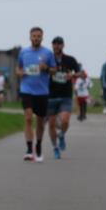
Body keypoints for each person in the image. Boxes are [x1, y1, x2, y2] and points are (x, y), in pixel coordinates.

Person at [15, 27, 56, 162]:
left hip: (42, 91)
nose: (36, 38)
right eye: (34, 36)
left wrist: (46, 68)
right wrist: (20, 73)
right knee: (28, 118)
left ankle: (38, 145)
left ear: (42, 38)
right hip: (26, 89)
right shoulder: (24, 52)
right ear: (30, 37)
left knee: (40, 121)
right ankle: (28, 149)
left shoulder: (48, 53)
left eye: (38, 36)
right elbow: (18, 68)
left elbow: (54, 70)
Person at [46, 36, 84, 159]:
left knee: (65, 121)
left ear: (63, 45)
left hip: (65, 95)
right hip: (51, 96)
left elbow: (81, 73)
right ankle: (55, 148)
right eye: (54, 44)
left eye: (59, 44)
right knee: (51, 124)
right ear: (52, 45)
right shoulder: (48, 59)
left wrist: (72, 75)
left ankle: (61, 135)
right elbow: (41, 71)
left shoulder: (70, 60)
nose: (57, 46)